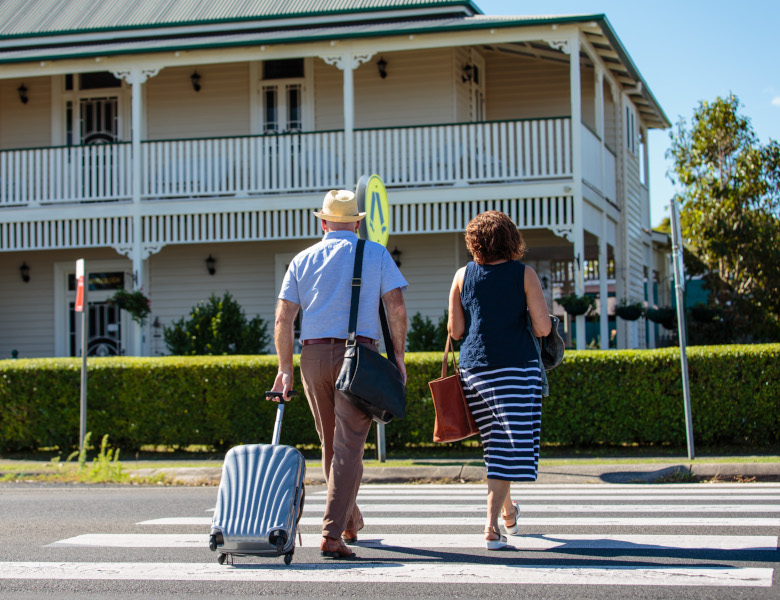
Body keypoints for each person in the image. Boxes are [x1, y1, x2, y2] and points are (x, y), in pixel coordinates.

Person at [268, 189, 408, 559]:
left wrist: (285, 370)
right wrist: (398, 357)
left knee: (332, 444)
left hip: (313, 355)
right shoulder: (375, 253)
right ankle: (332, 535)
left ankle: (349, 519)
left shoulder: (302, 258)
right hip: (359, 356)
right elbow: (395, 308)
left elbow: (283, 319)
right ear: (358, 223)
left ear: (323, 221)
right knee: (348, 448)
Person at [447, 210, 551, 550]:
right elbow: (542, 328)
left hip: (475, 371)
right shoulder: (525, 275)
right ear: (511, 239)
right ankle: (491, 528)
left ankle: (509, 512)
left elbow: (456, 331)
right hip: (516, 369)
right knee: (507, 447)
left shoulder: (462, 275)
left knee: (497, 446)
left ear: (474, 242)